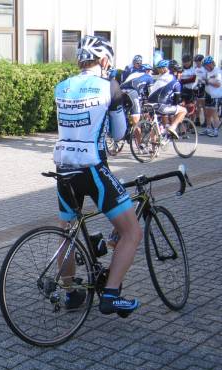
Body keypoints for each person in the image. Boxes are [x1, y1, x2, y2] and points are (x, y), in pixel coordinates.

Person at [53, 35, 141, 316]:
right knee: (132, 232)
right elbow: (119, 133)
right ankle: (111, 294)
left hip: (63, 167)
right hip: (92, 168)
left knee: (66, 234)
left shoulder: (61, 86)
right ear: (103, 61)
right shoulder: (109, 86)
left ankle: (71, 293)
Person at [119, 62, 154, 151]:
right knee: (136, 121)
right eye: (151, 71)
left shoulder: (134, 74)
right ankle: (140, 147)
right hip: (132, 93)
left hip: (121, 92)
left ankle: (123, 130)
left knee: (125, 115)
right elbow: (151, 93)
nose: (151, 73)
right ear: (147, 71)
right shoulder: (148, 77)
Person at [147, 59, 186, 139]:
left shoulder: (160, 78)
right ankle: (172, 127)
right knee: (183, 110)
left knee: (157, 123)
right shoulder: (175, 82)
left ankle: (153, 144)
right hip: (160, 105)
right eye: (180, 73)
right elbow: (176, 100)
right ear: (176, 73)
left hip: (149, 104)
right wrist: (177, 103)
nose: (181, 75)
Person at [200, 56, 222, 137]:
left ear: (210, 64)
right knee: (207, 113)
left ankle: (215, 131)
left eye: (205, 65)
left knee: (214, 114)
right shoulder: (207, 72)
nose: (205, 67)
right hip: (208, 94)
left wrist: (207, 81)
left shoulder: (218, 71)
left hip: (215, 95)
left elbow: (218, 84)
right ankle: (208, 129)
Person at [194, 54, 208, 126]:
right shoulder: (195, 68)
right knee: (197, 105)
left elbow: (208, 80)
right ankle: (197, 119)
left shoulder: (205, 69)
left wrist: (202, 80)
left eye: (198, 61)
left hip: (203, 87)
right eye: (196, 61)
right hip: (197, 87)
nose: (197, 63)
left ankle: (206, 120)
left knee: (203, 105)